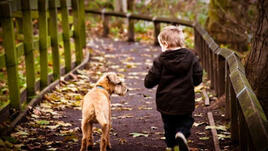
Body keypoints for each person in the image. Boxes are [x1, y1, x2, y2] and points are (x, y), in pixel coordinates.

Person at [144, 26, 203, 151]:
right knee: (186, 121)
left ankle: (171, 146)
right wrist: (194, 82)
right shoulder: (191, 57)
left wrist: (147, 82)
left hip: (166, 101)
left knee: (168, 125)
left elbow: (151, 80)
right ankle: (182, 134)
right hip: (185, 99)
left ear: (165, 44)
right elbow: (198, 75)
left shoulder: (160, 60)